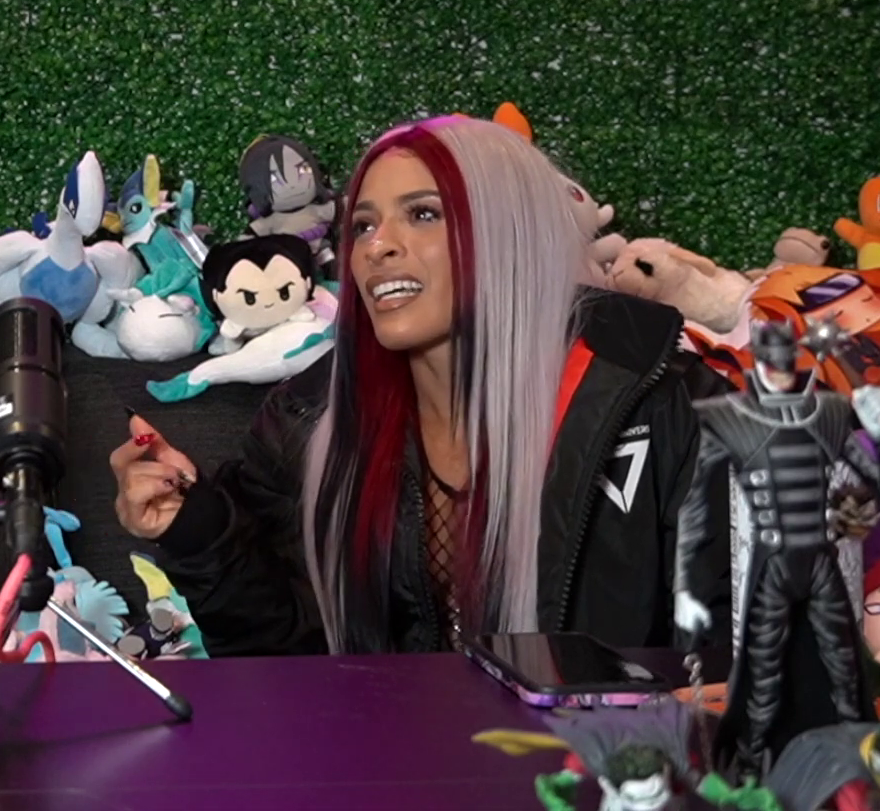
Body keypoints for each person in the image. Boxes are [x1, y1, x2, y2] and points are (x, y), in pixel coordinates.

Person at [111, 115, 734, 656]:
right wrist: (195, 528)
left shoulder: (677, 412)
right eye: (363, 225)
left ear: (514, 234)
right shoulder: (306, 420)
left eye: (424, 214)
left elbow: (739, 673)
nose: (376, 247)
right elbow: (287, 666)